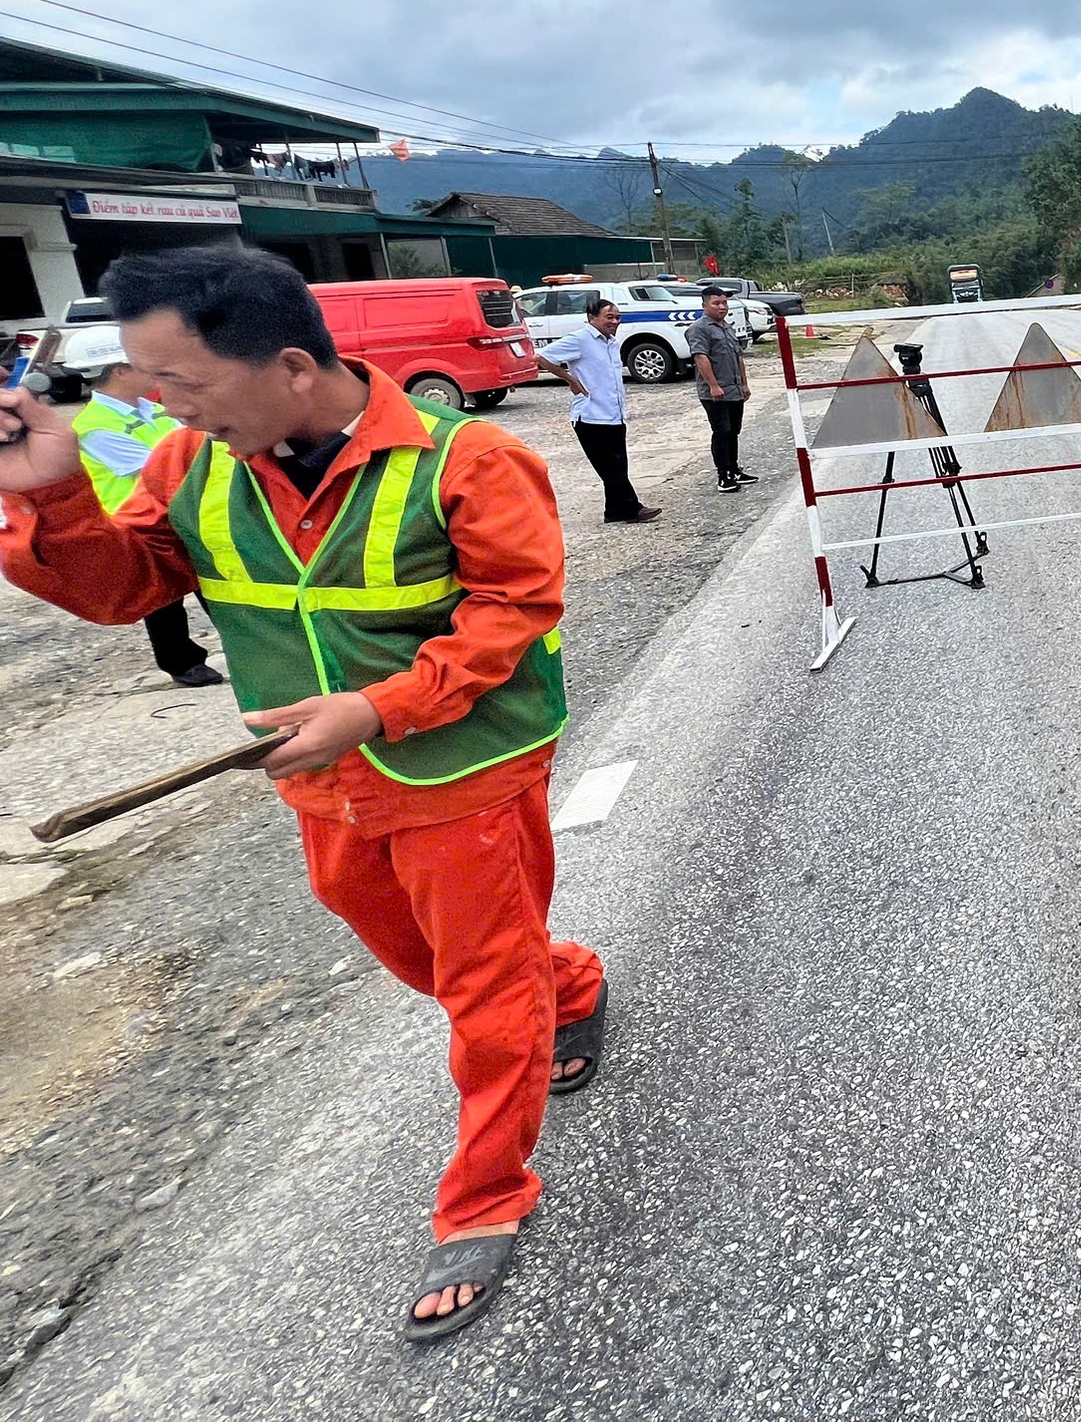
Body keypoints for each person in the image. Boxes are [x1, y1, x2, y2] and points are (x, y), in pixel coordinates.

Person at [0, 246, 606, 1343]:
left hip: (464, 768)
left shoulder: (463, 459)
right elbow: (121, 589)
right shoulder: (191, 463)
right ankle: (564, 981)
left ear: (287, 363)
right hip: (320, 781)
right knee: (426, 961)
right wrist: (48, 491)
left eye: (178, 380)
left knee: (477, 989)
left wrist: (378, 707)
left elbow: (514, 612)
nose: (155, 403)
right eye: (142, 379)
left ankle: (483, 1199)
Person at [56, 324, 225, 687]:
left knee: (215, 583)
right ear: (119, 371)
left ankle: (247, 645)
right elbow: (163, 463)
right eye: (140, 364)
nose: (152, 371)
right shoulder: (95, 426)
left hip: (184, 511)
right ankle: (181, 663)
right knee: (162, 601)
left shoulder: (155, 409)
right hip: (140, 522)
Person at [535, 296, 658, 524]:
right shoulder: (581, 339)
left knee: (618, 465)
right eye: (608, 317)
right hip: (591, 416)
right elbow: (541, 356)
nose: (614, 322)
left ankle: (613, 512)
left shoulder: (611, 342)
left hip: (614, 413)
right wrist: (569, 379)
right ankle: (633, 509)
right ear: (592, 318)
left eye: (617, 317)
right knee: (611, 468)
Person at [686, 287, 755, 493]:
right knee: (722, 431)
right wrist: (714, 385)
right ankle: (723, 475)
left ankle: (734, 469)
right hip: (715, 393)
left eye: (724, 303)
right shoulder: (699, 328)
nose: (722, 307)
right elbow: (700, 357)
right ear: (704, 305)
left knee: (733, 431)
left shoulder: (726, 327)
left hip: (733, 389)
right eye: (716, 303)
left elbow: (738, 357)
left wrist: (744, 383)